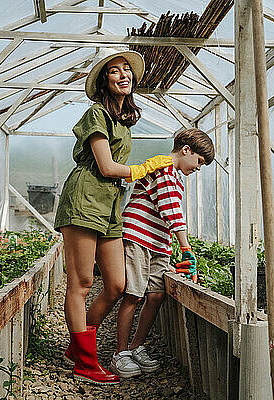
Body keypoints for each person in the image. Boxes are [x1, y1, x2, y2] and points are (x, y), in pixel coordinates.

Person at [54, 47, 174, 385]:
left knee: (117, 284)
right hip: (85, 197)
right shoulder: (96, 114)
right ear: (105, 82)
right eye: (114, 71)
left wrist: (142, 173)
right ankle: (85, 362)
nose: (123, 75)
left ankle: (77, 348)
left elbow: (118, 173)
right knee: (81, 283)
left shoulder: (123, 119)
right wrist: (141, 168)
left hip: (109, 205)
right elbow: (107, 167)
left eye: (127, 71)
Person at [110, 128, 215, 378]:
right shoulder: (165, 168)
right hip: (138, 239)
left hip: (158, 244)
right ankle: (120, 353)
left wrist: (171, 248)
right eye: (199, 161)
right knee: (134, 295)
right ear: (186, 150)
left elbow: (168, 217)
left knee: (156, 296)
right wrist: (186, 248)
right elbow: (172, 213)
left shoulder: (176, 176)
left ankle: (137, 347)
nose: (198, 168)